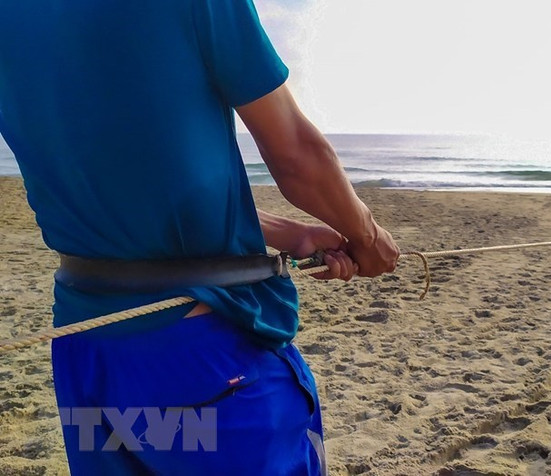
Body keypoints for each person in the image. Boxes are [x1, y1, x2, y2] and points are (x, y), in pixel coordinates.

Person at [0, 0, 399, 474]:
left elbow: (118, 174)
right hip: (199, 356)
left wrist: (286, 231)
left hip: (88, 354)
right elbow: (297, 153)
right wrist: (367, 236)